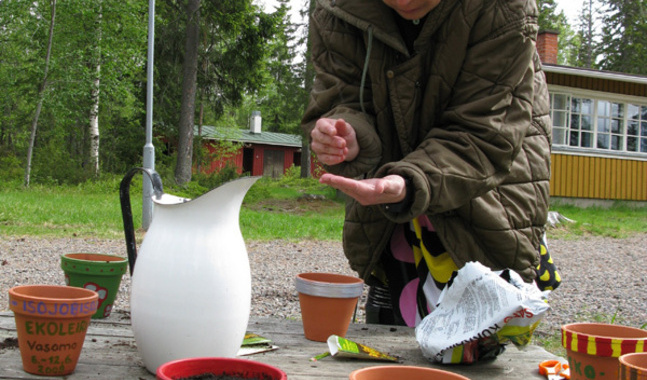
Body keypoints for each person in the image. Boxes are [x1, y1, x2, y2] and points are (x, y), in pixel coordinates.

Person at [301, 0, 560, 328]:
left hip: (484, 191)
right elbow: (345, 97)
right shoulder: (335, 7)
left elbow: (483, 132)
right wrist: (348, 134)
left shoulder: (504, 7)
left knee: (479, 340)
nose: (405, 1)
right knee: (392, 333)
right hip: (391, 206)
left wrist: (410, 181)